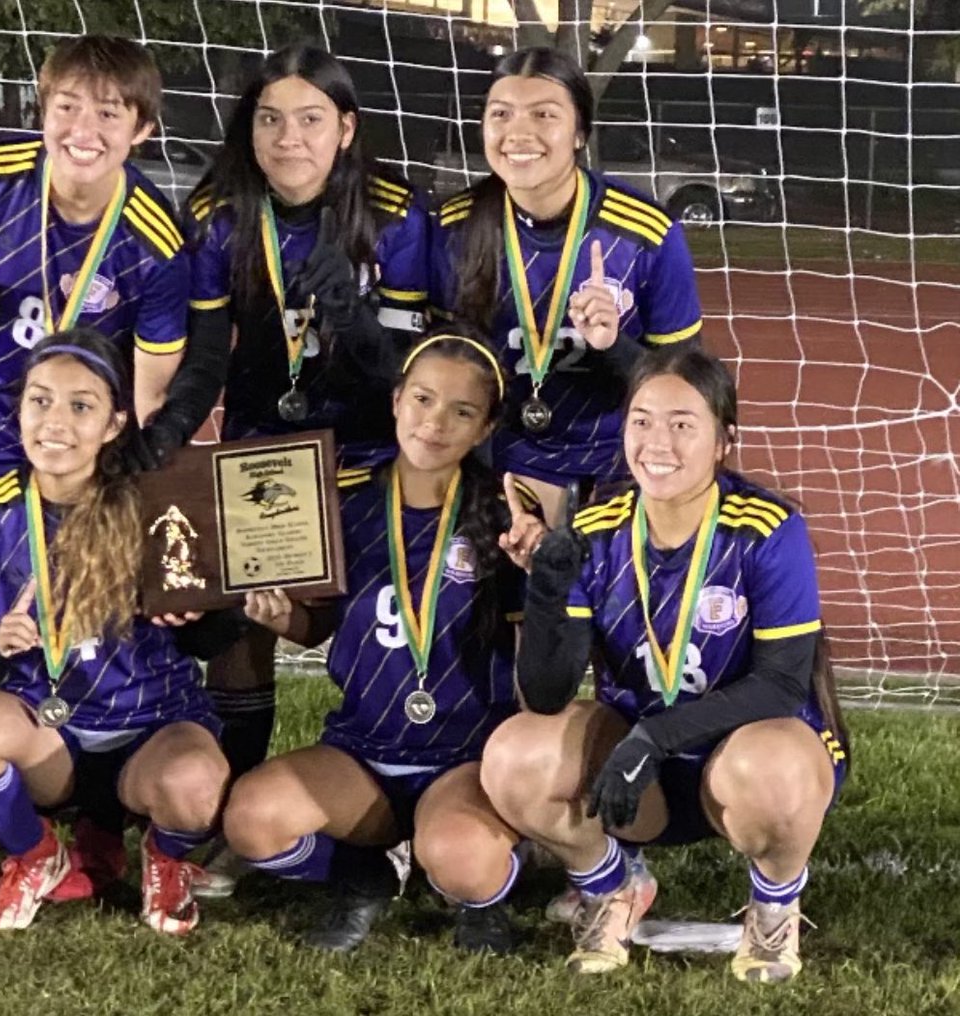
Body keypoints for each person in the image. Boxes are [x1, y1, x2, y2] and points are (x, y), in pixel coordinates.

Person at [480, 346, 848, 983]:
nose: (658, 442)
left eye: (683, 424)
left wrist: (654, 737)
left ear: (723, 441)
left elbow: (782, 684)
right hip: (636, 776)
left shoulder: (767, 528)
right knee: (515, 755)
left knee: (773, 769)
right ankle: (611, 888)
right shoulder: (595, 529)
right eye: (642, 421)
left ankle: (774, 908)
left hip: (745, 753)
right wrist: (544, 588)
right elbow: (546, 694)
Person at [223, 330, 542, 955]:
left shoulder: (505, 513)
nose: (435, 422)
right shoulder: (343, 500)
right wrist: (281, 617)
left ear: (485, 427)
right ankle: (362, 870)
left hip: (465, 754)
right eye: (423, 399)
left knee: (460, 860)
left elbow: (539, 655)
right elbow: (317, 626)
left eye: (462, 411)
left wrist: (542, 576)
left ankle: (480, 881)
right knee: (251, 819)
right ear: (396, 400)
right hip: (362, 750)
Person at [168, 43, 431, 799]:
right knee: (245, 615)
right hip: (266, 442)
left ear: (345, 129)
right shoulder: (217, 214)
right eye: (270, 119)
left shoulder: (395, 215)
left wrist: (352, 317)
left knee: (386, 611)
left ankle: (394, 788)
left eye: (311, 119)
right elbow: (207, 357)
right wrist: (168, 436)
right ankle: (237, 795)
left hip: (370, 447)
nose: (289, 138)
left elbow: (407, 378)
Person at [0, 328, 231, 933]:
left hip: (149, 729)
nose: (55, 421)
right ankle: (36, 856)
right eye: (39, 401)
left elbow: (210, 643)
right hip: (44, 734)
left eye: (81, 406)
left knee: (196, 787)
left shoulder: (155, 505)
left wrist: (204, 615)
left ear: (114, 424)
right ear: (19, 410)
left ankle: (164, 857)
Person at [429, 46, 703, 525]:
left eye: (544, 115)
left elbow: (689, 390)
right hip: (492, 468)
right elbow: (438, 372)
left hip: (615, 473)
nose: (518, 132)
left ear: (579, 133)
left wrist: (613, 346)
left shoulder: (646, 234)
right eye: (501, 114)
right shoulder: (454, 227)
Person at [0, 34, 192, 486]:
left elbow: (151, 395)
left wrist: (141, 477)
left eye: (108, 113)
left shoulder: (158, 247)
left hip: (88, 446)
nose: (83, 131)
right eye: (67, 107)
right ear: (44, 110)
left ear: (142, 129)